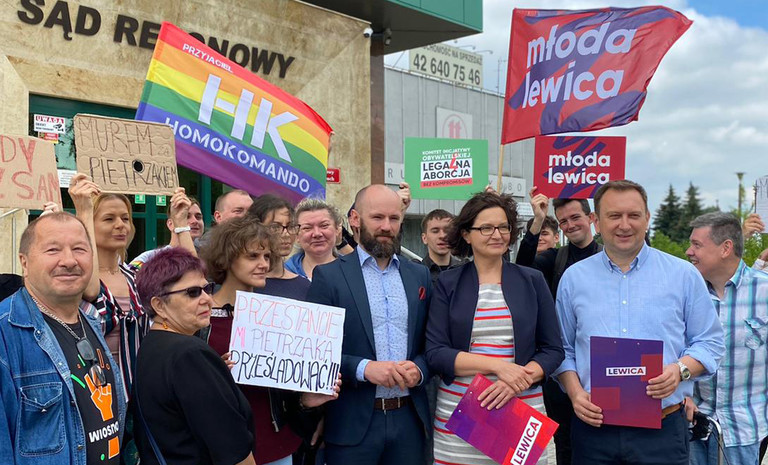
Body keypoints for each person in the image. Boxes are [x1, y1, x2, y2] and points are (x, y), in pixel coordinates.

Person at [554, 180, 725, 464]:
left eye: (633, 215)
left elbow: (710, 342)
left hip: (663, 431)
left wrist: (679, 370)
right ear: (596, 221)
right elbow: (562, 348)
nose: (624, 225)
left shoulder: (683, 275)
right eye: (614, 216)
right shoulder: (574, 278)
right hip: (594, 430)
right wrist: (574, 393)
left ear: (647, 218)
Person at [425, 191, 564, 465]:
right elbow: (436, 353)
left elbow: (553, 350)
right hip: (461, 416)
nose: (497, 234)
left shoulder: (533, 280)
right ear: (466, 234)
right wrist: (499, 367)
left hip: (521, 410)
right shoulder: (448, 283)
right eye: (486, 228)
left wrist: (516, 380)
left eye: (503, 227)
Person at [306, 184, 432, 465]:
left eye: (394, 218)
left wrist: (420, 370)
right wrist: (364, 369)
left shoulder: (420, 275)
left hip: (409, 421)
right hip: (352, 423)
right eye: (377, 217)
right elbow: (314, 352)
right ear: (354, 219)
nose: (387, 226)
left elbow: (432, 344)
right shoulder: (328, 277)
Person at [200, 217, 339, 465]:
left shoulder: (280, 316)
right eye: (253, 256)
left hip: (276, 443)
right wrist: (215, 375)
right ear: (226, 258)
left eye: (266, 256)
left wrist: (307, 399)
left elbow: (286, 387)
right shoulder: (201, 317)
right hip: (222, 448)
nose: (263, 264)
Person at [0, 212, 126, 464]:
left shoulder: (91, 322)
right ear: (24, 262)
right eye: (53, 250)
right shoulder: (5, 333)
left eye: (79, 249)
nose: (69, 261)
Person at [133, 247, 256, 465]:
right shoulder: (189, 354)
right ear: (159, 305)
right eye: (193, 292)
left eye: (207, 288)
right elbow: (233, 449)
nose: (207, 299)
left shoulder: (152, 344)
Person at [515, 189, 602, 465]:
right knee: (564, 441)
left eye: (575, 218)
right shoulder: (556, 258)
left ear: (591, 218)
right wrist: (538, 221)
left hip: (601, 362)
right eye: (563, 221)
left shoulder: (608, 256)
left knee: (602, 438)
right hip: (561, 365)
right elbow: (521, 267)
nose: (570, 225)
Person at [683, 212, 768, 465]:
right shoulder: (684, 292)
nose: (689, 251)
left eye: (697, 244)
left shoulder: (764, 291)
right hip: (692, 427)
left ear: (725, 248)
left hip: (745, 430)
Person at [248, 194, 311, 300]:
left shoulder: (305, 286)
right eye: (275, 227)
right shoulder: (245, 284)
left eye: (291, 226)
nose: (286, 234)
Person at [129, 192, 201, 268]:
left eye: (198, 217)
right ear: (170, 224)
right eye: (186, 216)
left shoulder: (207, 258)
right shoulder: (149, 258)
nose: (195, 221)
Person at [286, 198, 344, 280]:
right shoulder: (284, 274)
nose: (317, 234)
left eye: (324, 225)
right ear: (297, 235)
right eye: (307, 228)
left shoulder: (354, 271)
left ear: (337, 229)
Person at [420, 209, 465, 286]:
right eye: (435, 231)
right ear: (424, 238)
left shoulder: (465, 271)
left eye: (447, 230)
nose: (442, 236)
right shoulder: (416, 273)